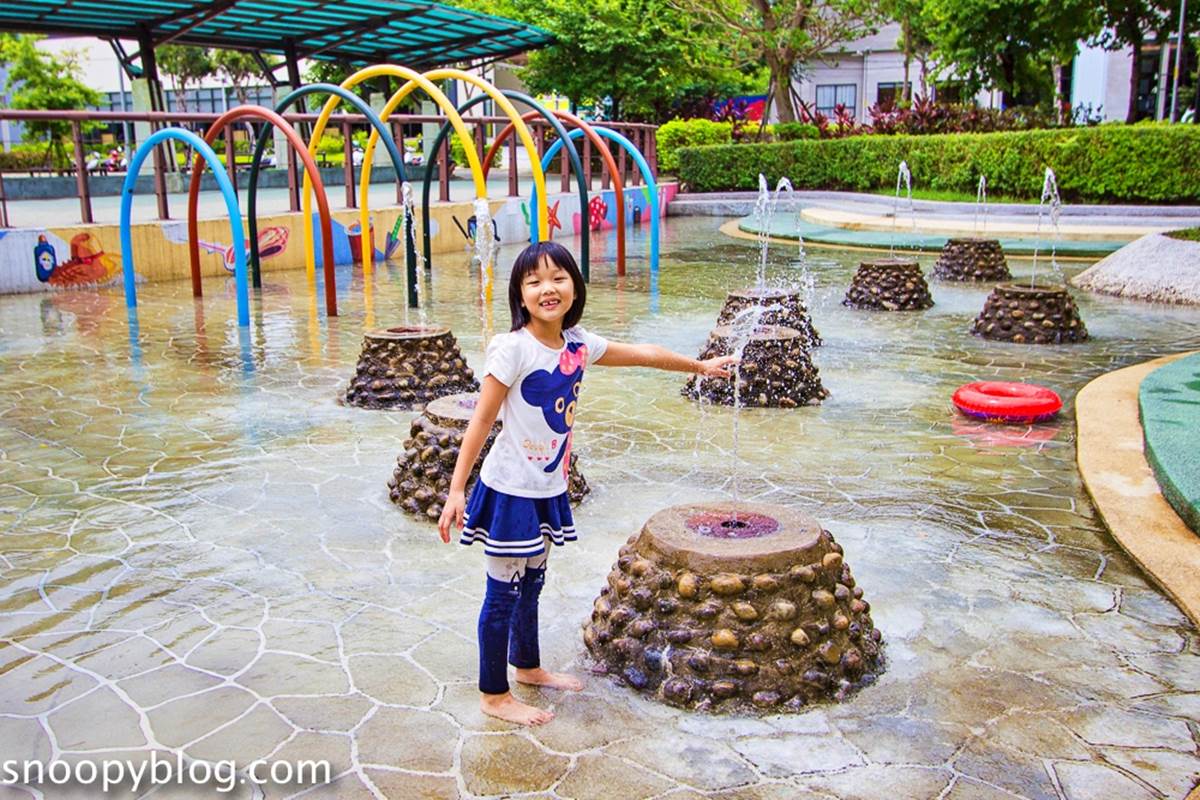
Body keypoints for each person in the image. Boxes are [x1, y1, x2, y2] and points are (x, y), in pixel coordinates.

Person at [437, 240, 737, 725]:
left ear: (575, 287)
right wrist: (456, 489)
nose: (547, 288)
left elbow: (644, 353)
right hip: (510, 489)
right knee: (501, 594)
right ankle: (493, 694)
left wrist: (699, 366)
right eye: (533, 281)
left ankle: (528, 667)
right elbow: (480, 421)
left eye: (558, 277)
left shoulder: (577, 344)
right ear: (520, 294)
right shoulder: (512, 349)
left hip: (547, 486)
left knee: (531, 583)